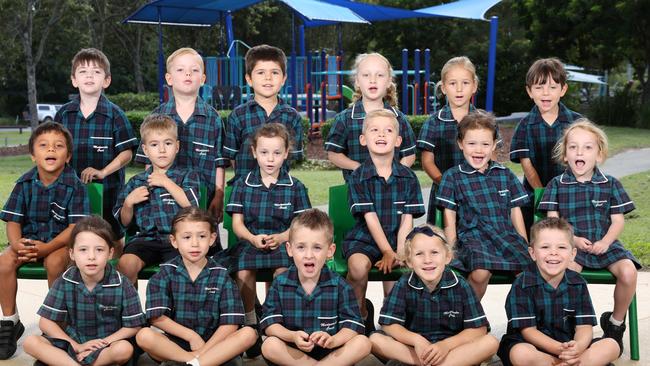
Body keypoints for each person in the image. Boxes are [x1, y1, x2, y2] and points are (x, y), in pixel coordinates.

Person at [538, 119, 639, 353]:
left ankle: (615, 324)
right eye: (573, 147)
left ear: (599, 155)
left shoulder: (610, 184)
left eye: (587, 147)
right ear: (565, 155)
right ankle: (566, 325)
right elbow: (554, 223)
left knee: (628, 271)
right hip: (571, 246)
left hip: (606, 244)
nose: (579, 152)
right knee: (565, 274)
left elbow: (617, 221)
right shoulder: (557, 184)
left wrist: (605, 241)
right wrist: (571, 239)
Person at [0, 122, 90, 359]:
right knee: (4, 261)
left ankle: (56, 322)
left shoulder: (75, 186)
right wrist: (17, 243)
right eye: (44, 145)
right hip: (29, 242)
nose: (51, 149)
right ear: (33, 155)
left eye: (58, 146)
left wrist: (47, 248)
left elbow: (75, 228)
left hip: (61, 244)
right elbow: (13, 221)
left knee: (53, 262)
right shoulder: (24, 183)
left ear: (68, 156)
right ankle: (10, 321)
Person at [226, 123, 311, 355]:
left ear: (286, 153)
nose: (270, 159)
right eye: (264, 152)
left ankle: (276, 322)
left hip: (284, 242)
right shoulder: (242, 184)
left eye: (276, 153)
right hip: (250, 241)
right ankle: (250, 321)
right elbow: (237, 225)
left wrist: (284, 236)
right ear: (254, 152)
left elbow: (302, 225)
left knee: (283, 270)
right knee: (243, 271)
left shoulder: (295, 187)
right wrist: (253, 238)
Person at [136, 207, 257, 366]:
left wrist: (204, 349)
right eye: (186, 237)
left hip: (215, 344)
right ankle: (199, 362)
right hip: (176, 345)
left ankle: (194, 362)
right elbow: (157, 318)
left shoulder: (222, 275)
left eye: (202, 236)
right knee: (144, 335)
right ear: (174, 241)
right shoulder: (164, 274)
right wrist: (191, 336)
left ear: (212, 239)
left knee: (249, 334)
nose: (194, 243)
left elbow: (231, 323)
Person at [343, 109, 425, 333]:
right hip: (365, 238)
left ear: (398, 140)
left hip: (400, 238)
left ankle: (395, 323)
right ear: (363, 139)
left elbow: (407, 220)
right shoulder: (358, 176)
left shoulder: (409, 177)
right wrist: (387, 251)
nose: (381, 134)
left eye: (388, 130)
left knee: (420, 264)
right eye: (374, 130)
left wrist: (399, 252)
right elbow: (369, 218)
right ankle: (358, 317)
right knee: (358, 268)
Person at [23, 216, 145, 365]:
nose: (91, 257)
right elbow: (46, 322)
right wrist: (77, 346)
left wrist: (102, 343)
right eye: (83, 250)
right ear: (72, 254)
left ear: (110, 253)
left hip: (106, 345)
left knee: (124, 349)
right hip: (72, 342)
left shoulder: (122, 284)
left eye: (99, 250)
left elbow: (134, 326)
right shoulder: (65, 281)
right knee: (30, 342)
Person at [498, 217, 620, 366]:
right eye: (545, 247)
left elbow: (584, 327)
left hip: (569, 344)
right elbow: (528, 331)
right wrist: (559, 350)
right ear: (532, 253)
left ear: (573, 254)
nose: (553, 253)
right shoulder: (522, 284)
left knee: (611, 345)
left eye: (561, 247)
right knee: (520, 354)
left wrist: (578, 347)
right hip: (534, 347)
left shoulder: (578, 283)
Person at [370, 224, 499, 366]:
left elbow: (478, 329)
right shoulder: (403, 284)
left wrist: (445, 345)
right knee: (375, 339)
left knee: (490, 342)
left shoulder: (461, 285)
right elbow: (389, 324)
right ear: (409, 261)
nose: (427, 260)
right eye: (419, 254)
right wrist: (416, 340)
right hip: (415, 350)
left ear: (448, 256)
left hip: (451, 350)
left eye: (434, 252)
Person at [436, 110, 530, 300]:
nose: (478, 150)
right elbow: (449, 216)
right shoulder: (453, 176)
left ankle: (521, 319)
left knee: (527, 273)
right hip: (473, 237)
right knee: (481, 273)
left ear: (494, 145)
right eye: (472, 144)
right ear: (461, 144)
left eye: (485, 144)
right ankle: (470, 315)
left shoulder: (505, 175)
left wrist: (524, 242)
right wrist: (451, 247)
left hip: (506, 236)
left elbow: (515, 212)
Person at [260, 209, 371, 365]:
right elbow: (270, 324)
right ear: (289, 249)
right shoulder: (280, 283)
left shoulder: (341, 286)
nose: (309, 255)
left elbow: (353, 326)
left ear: (330, 251)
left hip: (331, 353)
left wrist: (333, 340)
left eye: (317, 247)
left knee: (363, 342)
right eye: (301, 247)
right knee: (269, 345)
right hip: (295, 354)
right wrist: (292, 336)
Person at [134, 47, 228, 220]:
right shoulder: (155, 117)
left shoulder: (213, 118)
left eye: (194, 70)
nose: (188, 74)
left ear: (203, 79)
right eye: (180, 70)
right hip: (164, 201)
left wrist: (219, 195)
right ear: (169, 78)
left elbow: (219, 162)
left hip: (202, 203)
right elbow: (148, 163)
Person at [55, 48, 138, 243]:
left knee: (113, 237)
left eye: (96, 71)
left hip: (109, 191)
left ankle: (115, 272)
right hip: (69, 192)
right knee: (73, 238)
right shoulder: (64, 115)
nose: (89, 76)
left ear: (106, 80)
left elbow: (126, 153)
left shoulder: (115, 115)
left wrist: (103, 171)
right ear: (74, 80)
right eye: (83, 71)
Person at [115, 114, 201, 285]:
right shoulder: (137, 182)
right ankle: (132, 310)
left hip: (177, 240)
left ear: (177, 147)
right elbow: (124, 222)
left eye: (167, 144)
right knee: (125, 264)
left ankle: (171, 310)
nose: (162, 150)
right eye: (154, 145)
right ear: (146, 150)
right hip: (145, 239)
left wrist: (166, 182)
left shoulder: (186, 176)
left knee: (178, 271)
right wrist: (128, 202)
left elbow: (192, 206)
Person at [509, 58, 581, 234]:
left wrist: (568, 191)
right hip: (536, 192)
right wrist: (543, 195)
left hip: (572, 191)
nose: (545, 93)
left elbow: (584, 160)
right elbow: (527, 165)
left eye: (552, 87)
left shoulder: (577, 123)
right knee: (533, 230)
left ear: (563, 89)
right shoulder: (525, 125)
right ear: (529, 91)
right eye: (539, 87)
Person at [325, 52, 416, 181]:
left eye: (379, 75)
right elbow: (333, 153)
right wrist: (357, 167)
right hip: (357, 190)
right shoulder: (344, 119)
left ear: (389, 81)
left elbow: (409, 154)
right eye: (366, 75)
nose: (372, 80)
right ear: (357, 81)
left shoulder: (399, 119)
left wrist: (396, 172)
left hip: (393, 192)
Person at [223, 44, 304, 183]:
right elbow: (231, 155)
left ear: (284, 79)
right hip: (245, 192)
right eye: (261, 72)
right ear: (249, 79)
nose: (268, 78)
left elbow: (293, 156)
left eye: (274, 72)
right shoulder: (238, 115)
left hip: (280, 191)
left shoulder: (292, 116)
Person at [417, 56, 483, 225]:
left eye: (465, 83)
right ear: (444, 88)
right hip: (444, 194)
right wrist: (448, 185)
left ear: (474, 86)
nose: (459, 89)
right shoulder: (433, 122)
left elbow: (493, 158)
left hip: (478, 193)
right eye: (453, 84)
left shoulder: (484, 122)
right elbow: (427, 162)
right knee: (441, 244)